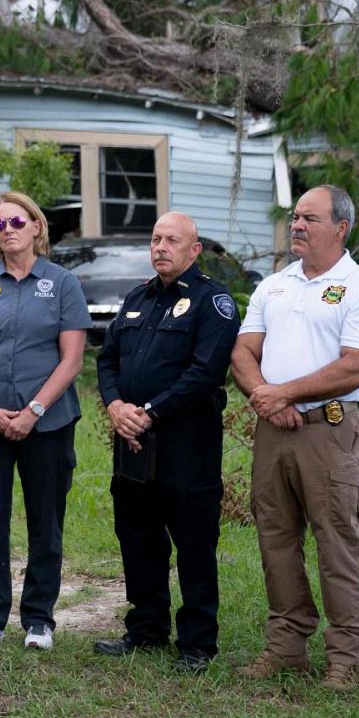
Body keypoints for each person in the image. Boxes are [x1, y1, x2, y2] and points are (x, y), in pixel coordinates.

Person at [231, 185, 359, 692]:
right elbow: (242, 351)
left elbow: (357, 365)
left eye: (309, 218)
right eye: (295, 217)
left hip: (328, 429)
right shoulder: (274, 285)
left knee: (336, 541)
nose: (296, 225)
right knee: (275, 538)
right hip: (273, 430)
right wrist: (266, 396)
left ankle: (345, 656)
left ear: (340, 229)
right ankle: (286, 647)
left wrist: (284, 393)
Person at [92, 212, 240, 674]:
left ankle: (197, 644)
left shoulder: (212, 301)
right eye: (156, 239)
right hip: (133, 443)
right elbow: (107, 359)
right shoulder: (138, 298)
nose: (160, 247)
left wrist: (149, 413)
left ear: (194, 250)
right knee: (137, 538)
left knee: (194, 543)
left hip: (186, 443)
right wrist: (116, 407)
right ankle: (146, 630)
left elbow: (205, 373)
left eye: (171, 240)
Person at [0, 191, 91, 651]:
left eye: (15, 221)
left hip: (47, 425)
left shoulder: (63, 283)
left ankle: (39, 620)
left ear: (36, 227)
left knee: (45, 520)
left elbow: (71, 360)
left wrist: (34, 411)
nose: (7, 230)